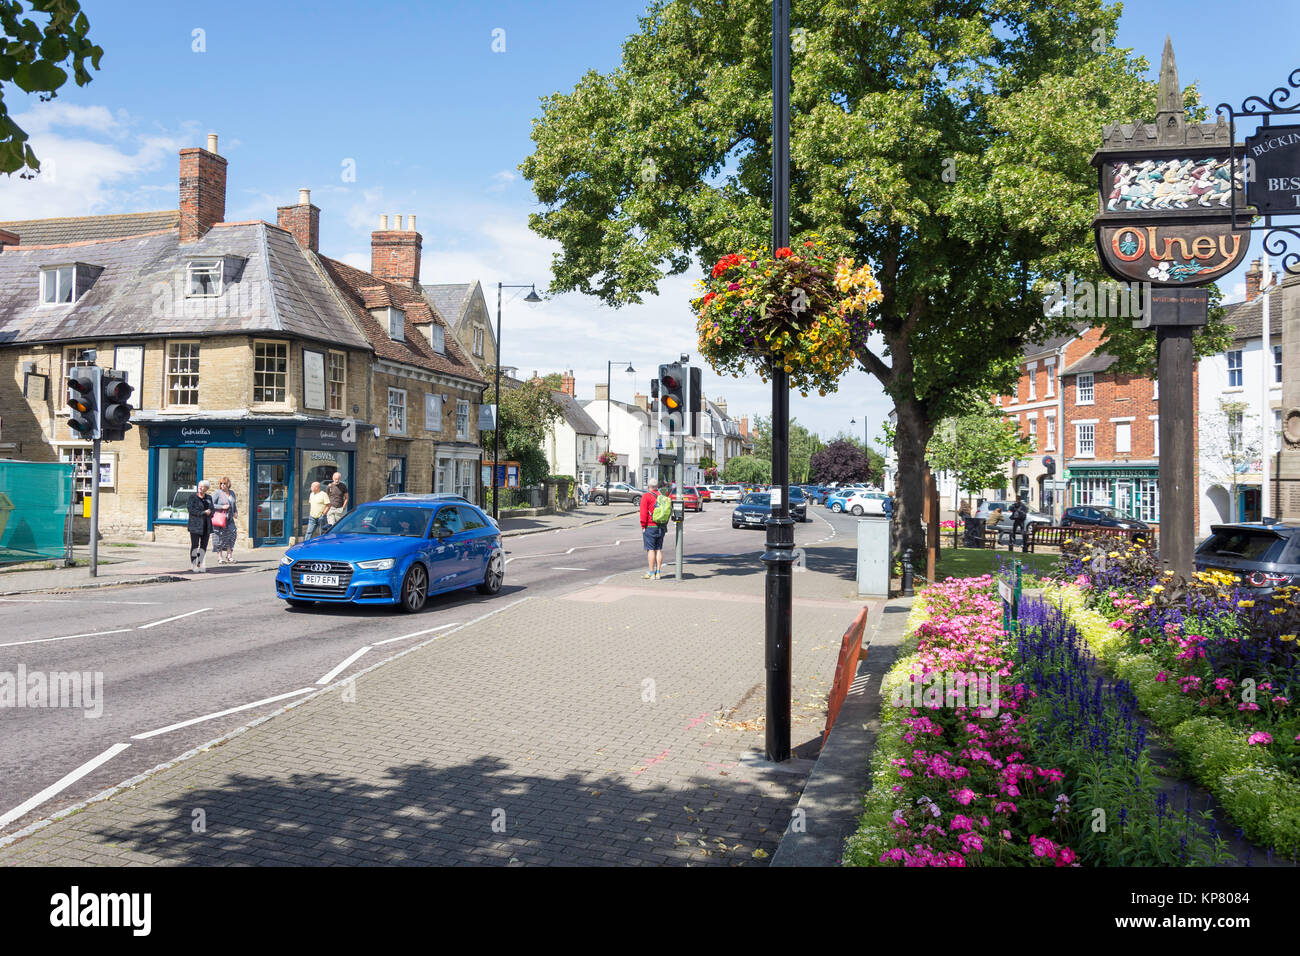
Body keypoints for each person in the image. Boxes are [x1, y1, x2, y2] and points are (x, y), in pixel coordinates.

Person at [639, 478, 668, 580]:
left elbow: (643, 513)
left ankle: (651, 573)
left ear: (648, 487)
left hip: (650, 526)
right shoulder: (662, 496)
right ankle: (658, 573)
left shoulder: (646, 496)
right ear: (657, 487)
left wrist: (643, 526)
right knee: (658, 549)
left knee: (651, 549)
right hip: (661, 526)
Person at [187, 480, 214, 573]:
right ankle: (194, 564)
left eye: (203, 487)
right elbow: (191, 510)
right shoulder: (193, 497)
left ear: (206, 488)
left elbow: (212, 509)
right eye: (199, 486)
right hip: (195, 525)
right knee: (195, 545)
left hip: (206, 525)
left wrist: (210, 512)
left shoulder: (209, 498)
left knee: (203, 546)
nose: (200, 488)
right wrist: (203, 512)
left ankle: (200, 563)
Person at [212, 476, 239, 564]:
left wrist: (235, 512)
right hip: (220, 519)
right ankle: (220, 557)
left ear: (228, 484)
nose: (222, 485)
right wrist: (222, 507)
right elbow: (210, 505)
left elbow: (234, 505)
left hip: (230, 519)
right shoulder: (217, 493)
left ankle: (229, 556)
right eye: (221, 484)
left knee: (232, 535)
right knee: (219, 538)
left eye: (224, 483)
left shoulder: (232, 493)